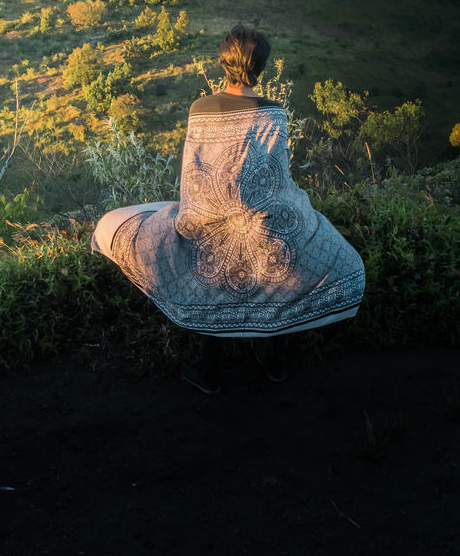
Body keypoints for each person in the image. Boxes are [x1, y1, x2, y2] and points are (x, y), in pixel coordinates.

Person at [91, 24, 366, 393]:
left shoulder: (200, 109)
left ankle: (209, 373)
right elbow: (276, 180)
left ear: (223, 63)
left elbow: (194, 176)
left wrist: (204, 213)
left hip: (210, 222)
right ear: (262, 66)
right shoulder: (276, 114)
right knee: (283, 260)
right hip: (266, 224)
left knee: (208, 272)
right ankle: (273, 364)